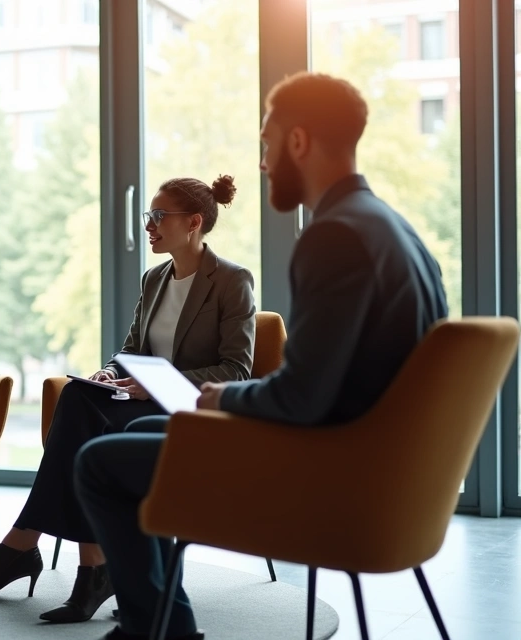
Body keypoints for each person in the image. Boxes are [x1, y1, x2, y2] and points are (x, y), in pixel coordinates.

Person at [75, 72, 449, 640]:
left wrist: (219, 395)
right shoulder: (397, 231)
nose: (263, 163)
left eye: (266, 144)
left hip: (327, 474)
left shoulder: (336, 236)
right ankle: (160, 626)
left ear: (298, 142)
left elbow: (300, 396)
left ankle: (158, 630)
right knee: (151, 427)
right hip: (384, 477)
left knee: (99, 465)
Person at [0, 176, 256, 624]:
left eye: (158, 215)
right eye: (148, 215)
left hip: (187, 411)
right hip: (141, 398)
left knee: (93, 429)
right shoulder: (155, 279)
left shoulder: (230, 280)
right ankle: (87, 567)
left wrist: (156, 384)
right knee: (77, 396)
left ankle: (26, 548)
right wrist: (112, 371)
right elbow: (131, 348)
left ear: (194, 222)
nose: (149, 224)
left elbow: (236, 369)